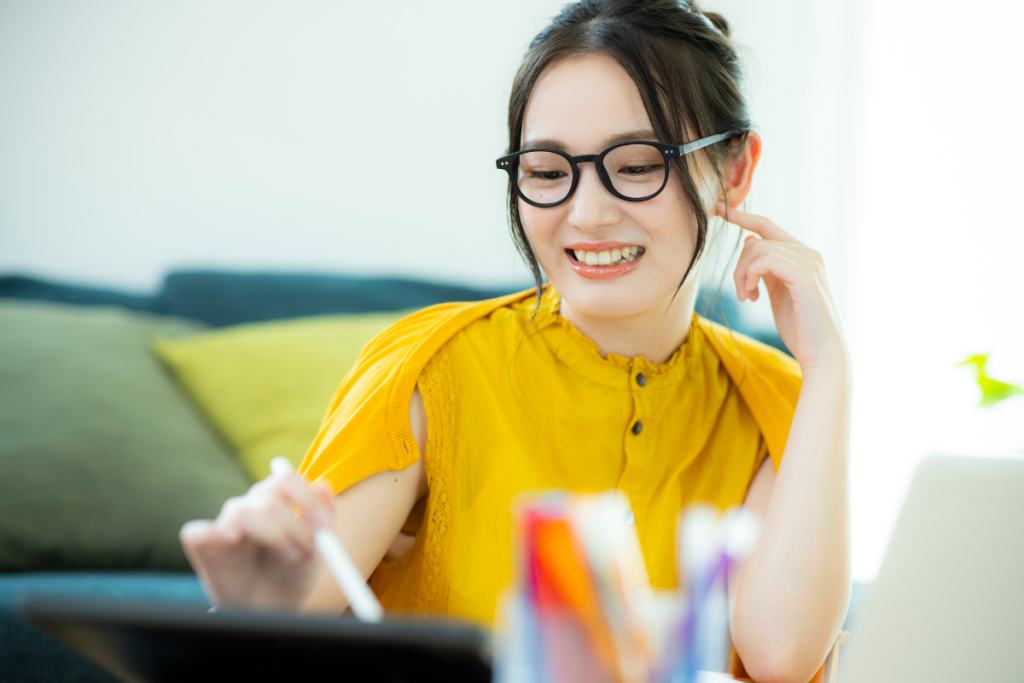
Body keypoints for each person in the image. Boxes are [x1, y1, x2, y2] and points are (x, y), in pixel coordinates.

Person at [180, 1, 851, 681]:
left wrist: (828, 371)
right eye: (548, 172)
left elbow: (782, 654)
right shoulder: (434, 365)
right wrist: (255, 595)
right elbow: (293, 604)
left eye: (640, 164)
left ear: (733, 171)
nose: (587, 214)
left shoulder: (778, 399)